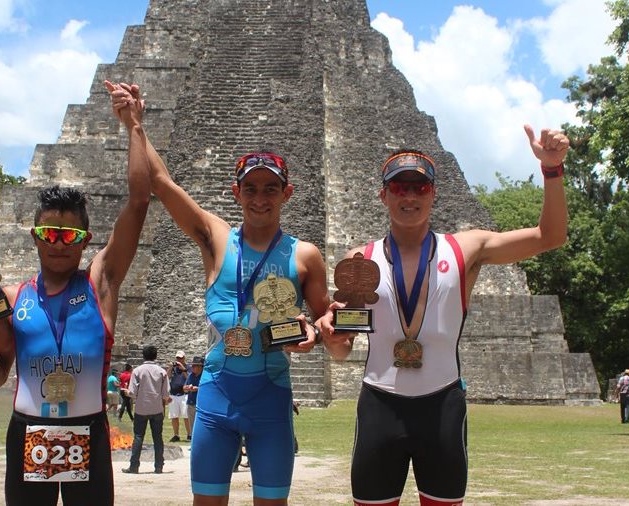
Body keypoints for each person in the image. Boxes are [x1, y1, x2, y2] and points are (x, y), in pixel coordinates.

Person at [317, 125, 570, 506]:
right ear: (383, 195)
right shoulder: (359, 260)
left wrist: (551, 170)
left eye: (419, 187)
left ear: (433, 193)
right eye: (399, 187)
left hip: (442, 406)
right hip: (379, 405)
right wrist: (332, 337)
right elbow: (341, 349)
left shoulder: (467, 248)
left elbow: (550, 236)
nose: (410, 195)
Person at [109, 84, 327, 505]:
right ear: (236, 192)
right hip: (216, 396)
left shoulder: (304, 256)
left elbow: (328, 326)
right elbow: (160, 182)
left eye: (270, 188)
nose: (260, 198)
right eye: (251, 188)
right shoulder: (216, 238)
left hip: (271, 397)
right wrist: (135, 125)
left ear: (287, 193)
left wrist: (314, 335)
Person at [0, 79, 151, 506]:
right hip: (30, 432)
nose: (58, 243)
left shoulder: (101, 283)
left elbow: (138, 201)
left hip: (89, 431)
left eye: (69, 234)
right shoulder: (12, 298)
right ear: (35, 236)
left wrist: (133, 125)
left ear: (85, 239)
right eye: (49, 233)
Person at [122, 345, 170, 474]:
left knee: (138, 437)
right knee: (157, 437)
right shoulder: (162, 372)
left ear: (143, 356)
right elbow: (166, 394)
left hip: (141, 409)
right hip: (157, 408)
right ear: (155, 356)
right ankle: (159, 466)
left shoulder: (137, 371)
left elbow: (132, 392)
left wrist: (126, 392)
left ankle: (134, 466)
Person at [168, 350, 190, 442]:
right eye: (177, 358)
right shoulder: (174, 368)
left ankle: (189, 434)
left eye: (180, 358)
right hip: (173, 394)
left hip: (184, 394)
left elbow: (189, 378)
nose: (179, 360)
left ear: (184, 358)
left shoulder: (188, 367)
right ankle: (176, 434)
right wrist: (170, 368)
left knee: (186, 416)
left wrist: (182, 368)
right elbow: (167, 377)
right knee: (174, 416)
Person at [184, 356, 204, 438]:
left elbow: (207, 388)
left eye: (194, 366)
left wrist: (197, 389)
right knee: (192, 425)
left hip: (201, 405)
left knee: (201, 426)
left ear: (200, 367)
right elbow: (184, 387)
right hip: (191, 403)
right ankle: (192, 443)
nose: (192, 367)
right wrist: (187, 387)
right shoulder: (191, 375)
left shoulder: (204, 376)